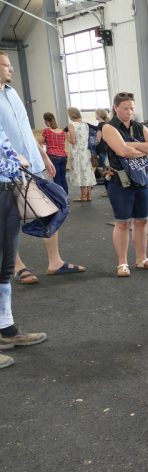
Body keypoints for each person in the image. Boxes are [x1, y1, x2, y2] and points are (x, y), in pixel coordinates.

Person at [0, 51, 86, 280]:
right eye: (6, 65)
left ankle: (55, 262)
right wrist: (12, 159)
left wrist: (44, 156)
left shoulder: (12, 93)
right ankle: (17, 267)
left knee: (51, 207)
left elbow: (26, 130)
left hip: (35, 164)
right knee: (10, 218)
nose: (11, 69)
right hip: (9, 171)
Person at [1, 123, 47, 370]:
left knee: (5, 268)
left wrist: (16, 160)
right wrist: (17, 162)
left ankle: (7, 330)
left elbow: (8, 152)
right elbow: (10, 159)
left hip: (6, 193)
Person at [102, 92, 148, 277]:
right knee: (122, 223)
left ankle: (142, 259)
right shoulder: (109, 128)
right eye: (125, 108)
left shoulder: (138, 126)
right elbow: (122, 151)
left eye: (132, 108)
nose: (129, 112)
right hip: (120, 182)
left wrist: (130, 146)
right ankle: (122, 263)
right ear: (115, 108)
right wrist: (141, 149)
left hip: (141, 179)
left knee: (142, 221)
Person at [66, 107, 95, 202]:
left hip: (77, 153)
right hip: (86, 152)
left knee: (80, 173)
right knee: (87, 172)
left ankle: (83, 196)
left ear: (71, 115)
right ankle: (89, 195)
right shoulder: (85, 125)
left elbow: (73, 141)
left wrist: (67, 137)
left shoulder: (72, 125)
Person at [40, 112, 68, 194]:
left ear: (46, 121)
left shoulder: (47, 131)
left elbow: (39, 143)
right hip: (63, 156)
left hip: (53, 156)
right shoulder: (62, 131)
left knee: (56, 179)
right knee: (63, 178)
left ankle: (59, 198)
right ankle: (65, 198)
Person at [94, 108, 111, 196]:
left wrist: (93, 144)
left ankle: (108, 190)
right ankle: (109, 190)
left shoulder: (100, 125)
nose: (95, 115)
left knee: (104, 171)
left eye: (96, 114)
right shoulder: (107, 124)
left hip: (101, 150)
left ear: (99, 115)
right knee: (107, 170)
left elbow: (98, 139)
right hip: (107, 149)